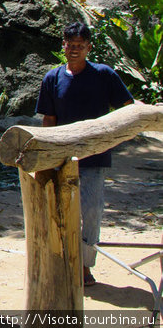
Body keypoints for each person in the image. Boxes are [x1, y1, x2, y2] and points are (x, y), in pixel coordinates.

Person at [35, 21, 133, 287]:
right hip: (61, 157)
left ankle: (84, 266)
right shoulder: (53, 78)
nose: (75, 49)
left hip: (94, 157)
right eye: (70, 45)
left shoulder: (104, 75)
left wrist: (111, 136)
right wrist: (48, 156)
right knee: (59, 212)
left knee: (90, 212)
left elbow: (128, 108)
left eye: (80, 45)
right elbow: (49, 119)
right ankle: (60, 262)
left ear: (89, 47)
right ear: (63, 46)